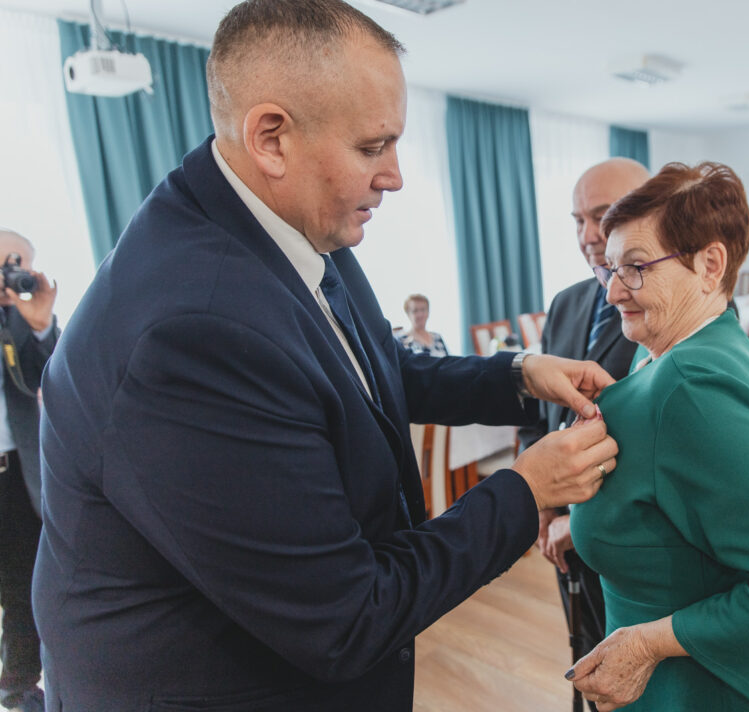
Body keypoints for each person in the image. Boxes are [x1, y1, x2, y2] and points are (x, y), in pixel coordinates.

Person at [32, 2, 619, 711]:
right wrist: (527, 490)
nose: (396, 176)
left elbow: (367, 370)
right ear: (272, 137)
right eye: (374, 148)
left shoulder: (289, 221)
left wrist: (518, 376)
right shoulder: (193, 334)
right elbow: (347, 616)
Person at [567, 162, 749, 711]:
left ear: (710, 264)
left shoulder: (690, 387)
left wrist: (647, 644)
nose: (611, 293)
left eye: (634, 268)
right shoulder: (692, 342)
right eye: (610, 269)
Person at [517, 157, 649, 688]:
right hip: (562, 531)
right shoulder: (567, 302)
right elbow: (540, 413)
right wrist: (544, 509)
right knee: (587, 655)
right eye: (577, 220)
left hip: (630, 535)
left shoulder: (663, 306)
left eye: (604, 216)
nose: (589, 236)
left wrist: (582, 521)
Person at [0, 230, 56, 712]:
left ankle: (17, 686)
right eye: (5, 261)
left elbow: (46, 378)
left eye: (18, 264)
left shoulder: (15, 319)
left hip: (14, 471)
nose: (10, 271)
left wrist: (39, 326)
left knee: (24, 580)